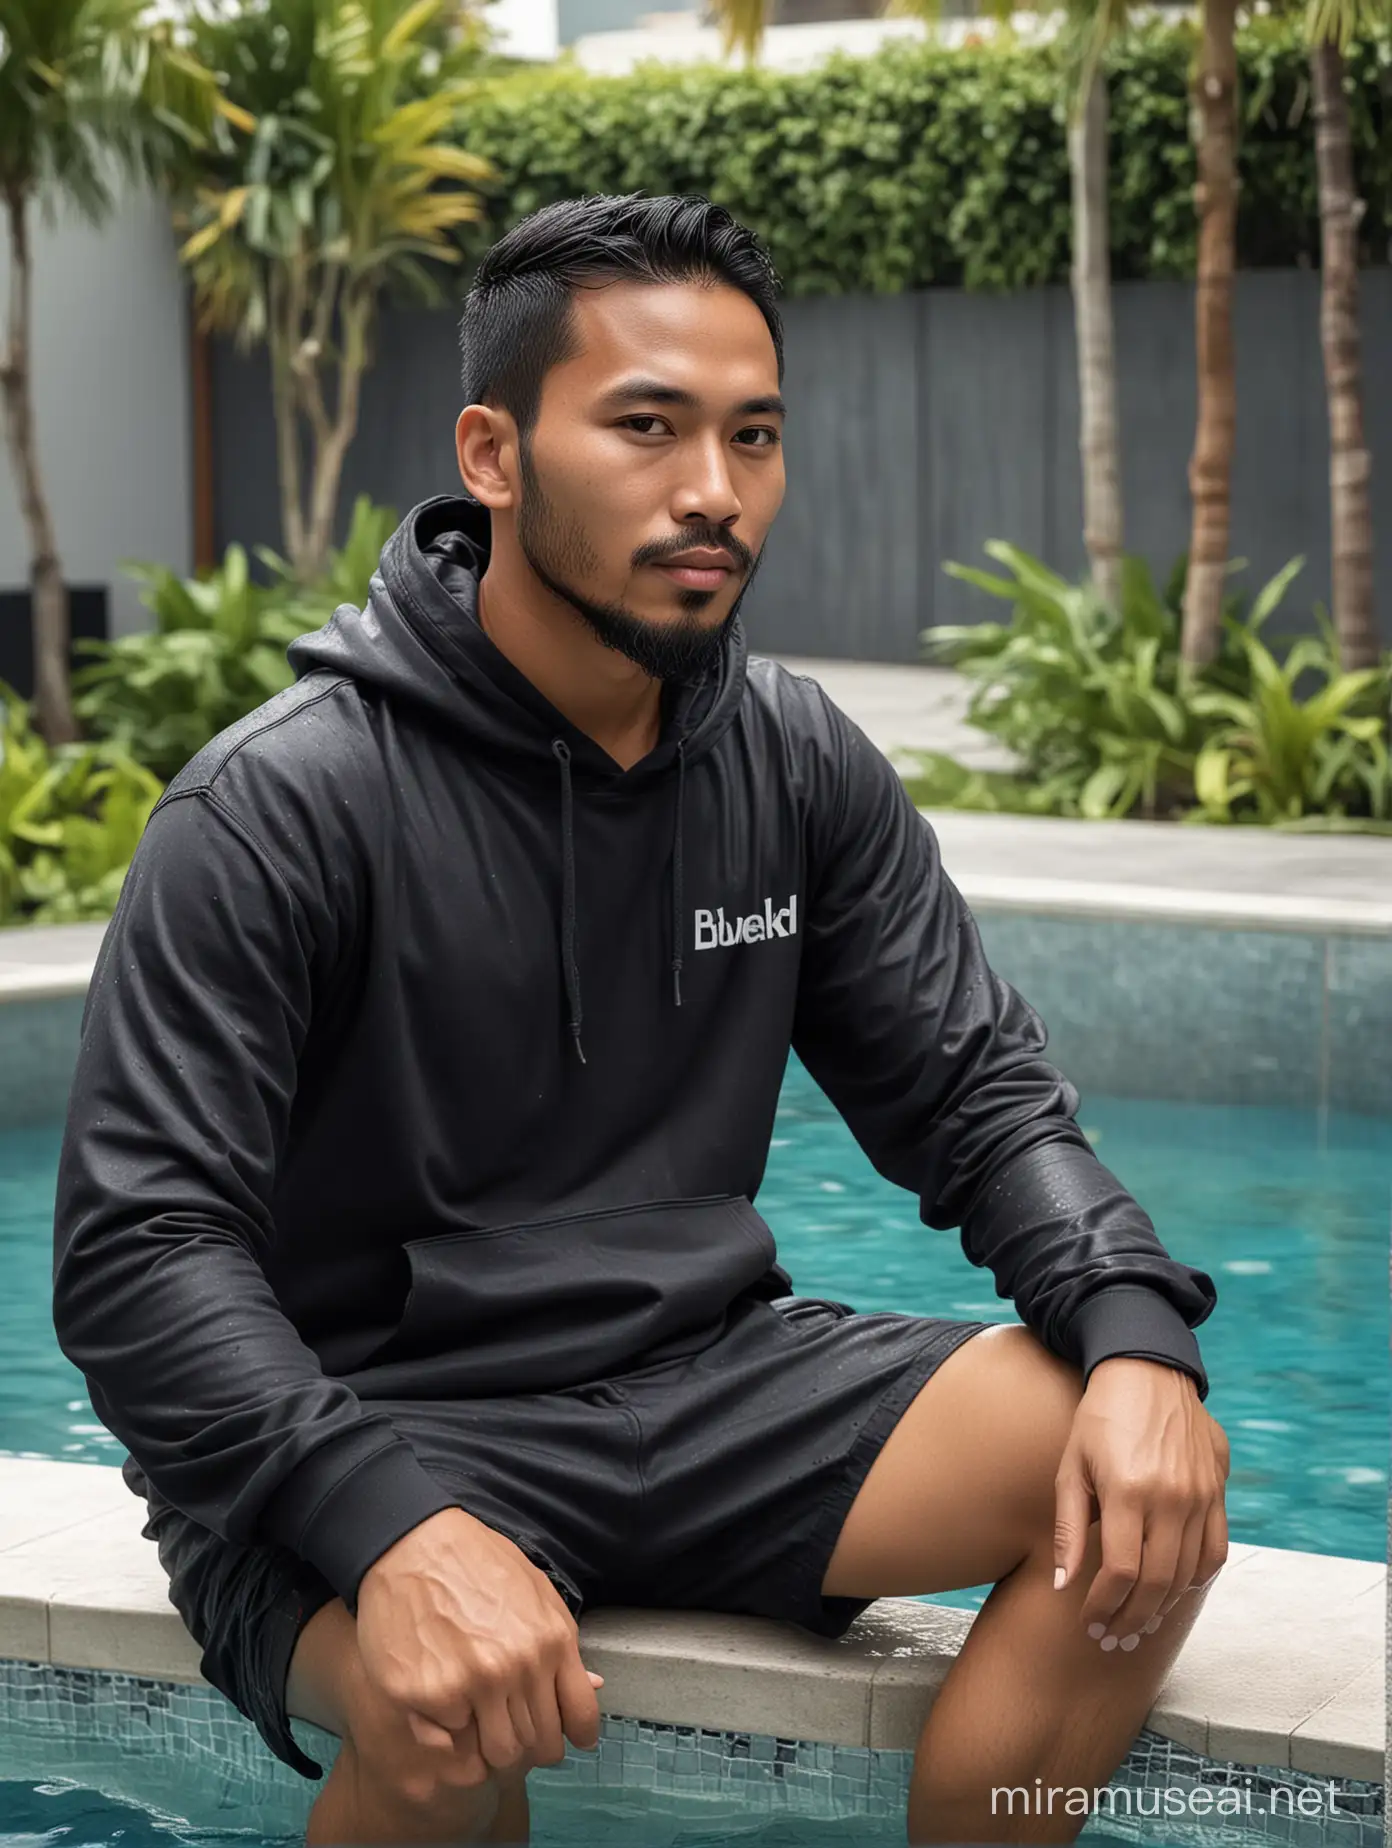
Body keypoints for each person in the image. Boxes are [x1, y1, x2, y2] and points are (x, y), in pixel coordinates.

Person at [52, 192, 1229, 1847]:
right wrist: (385, 1523)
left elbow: (981, 1099)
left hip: (706, 1384)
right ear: (494, 450)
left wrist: (1130, 1332)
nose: (713, 493)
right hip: (370, 1419)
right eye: (647, 428)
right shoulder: (280, 803)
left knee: (1134, 1479)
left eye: (754, 438)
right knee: (445, 1715)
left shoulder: (793, 760)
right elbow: (139, 1256)